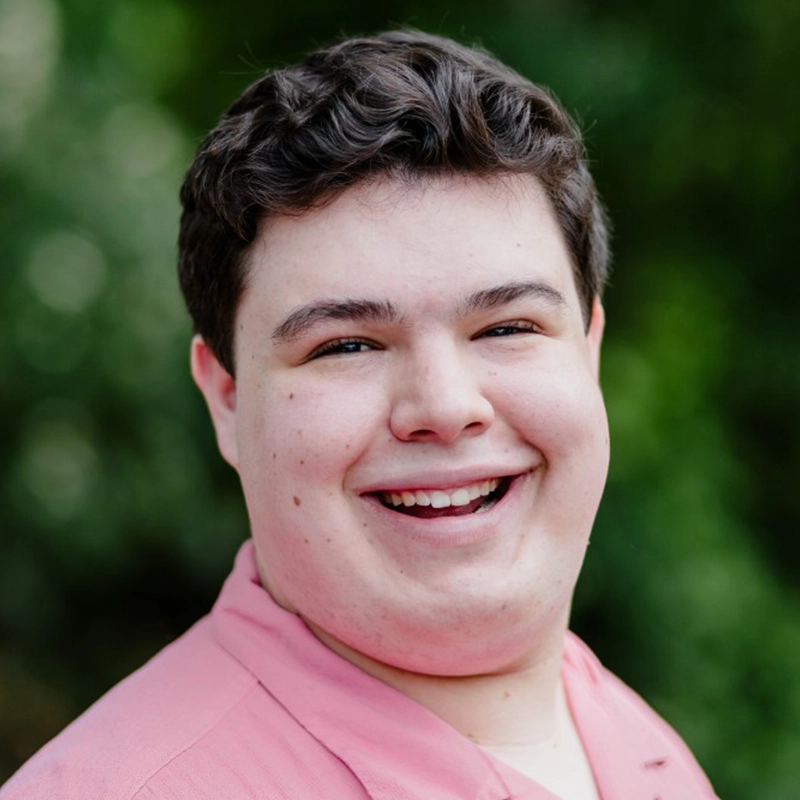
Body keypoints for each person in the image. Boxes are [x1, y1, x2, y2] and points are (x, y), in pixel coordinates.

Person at [0, 30, 720, 800]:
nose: (444, 407)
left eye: (507, 328)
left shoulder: (644, 752)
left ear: (590, 352)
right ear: (227, 398)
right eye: (346, 345)